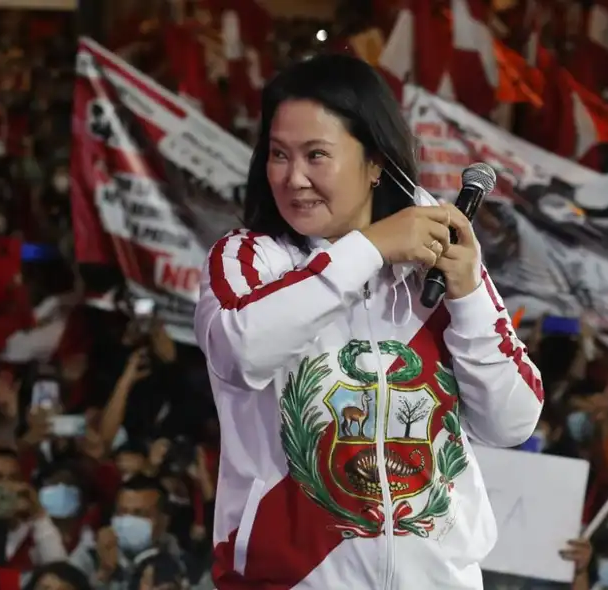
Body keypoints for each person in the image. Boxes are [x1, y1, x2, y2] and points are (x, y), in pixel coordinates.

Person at [194, 53, 544, 589]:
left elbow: (512, 423)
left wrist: (470, 294)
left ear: (375, 162)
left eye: (316, 155)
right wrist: (370, 248)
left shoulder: (436, 263)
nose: (294, 177)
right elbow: (241, 351)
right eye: (279, 154)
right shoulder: (247, 259)